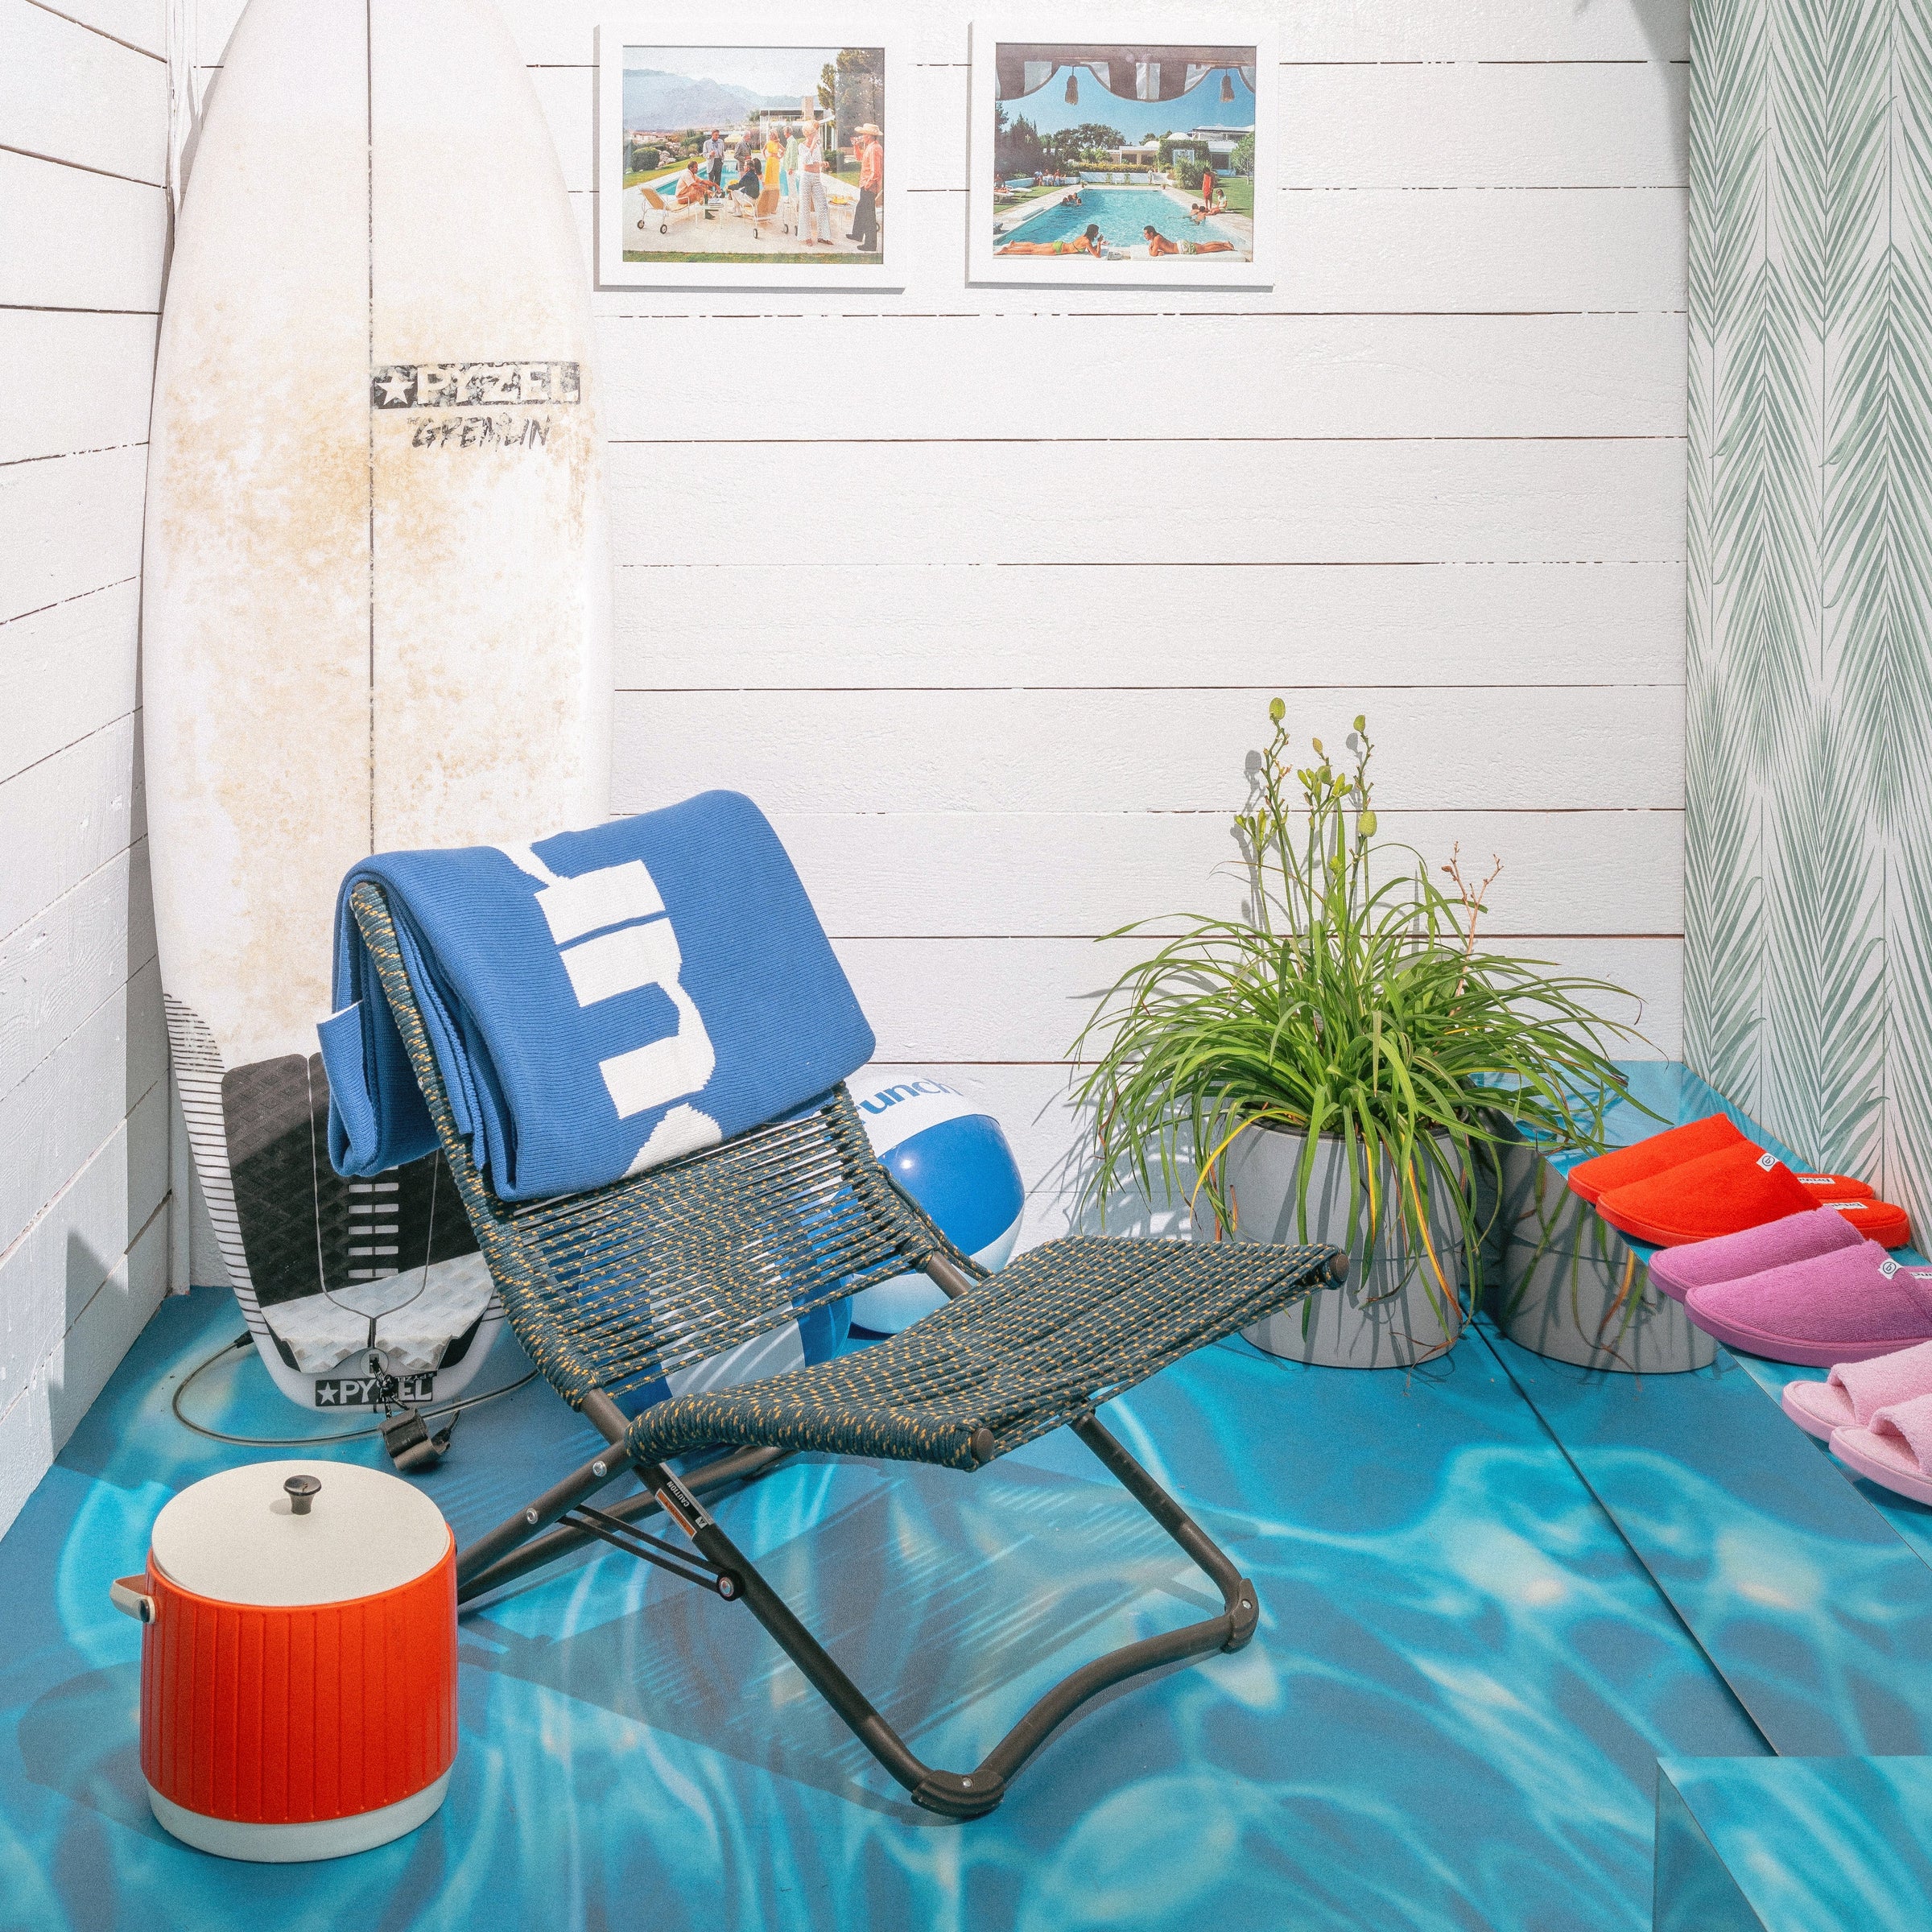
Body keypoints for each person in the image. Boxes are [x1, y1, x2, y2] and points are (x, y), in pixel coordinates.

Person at [796, 109, 832, 246]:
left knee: (823, 206)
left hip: (817, 178)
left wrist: (822, 163)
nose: (817, 133)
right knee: (805, 207)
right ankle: (807, 237)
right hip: (806, 178)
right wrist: (811, 146)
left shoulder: (817, 146)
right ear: (809, 133)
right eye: (815, 132)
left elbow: (815, 161)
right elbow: (805, 161)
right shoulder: (802, 146)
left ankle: (824, 236)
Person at [848, 122, 883, 250]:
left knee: (869, 214)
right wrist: (856, 146)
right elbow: (859, 158)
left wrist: (868, 185)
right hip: (866, 184)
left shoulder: (874, 149)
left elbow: (876, 171)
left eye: (864, 134)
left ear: (869, 135)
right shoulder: (870, 147)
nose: (862, 136)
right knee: (861, 209)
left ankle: (870, 244)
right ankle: (857, 234)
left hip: (869, 186)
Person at [997, 220, 1104, 255]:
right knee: (1032, 251)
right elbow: (1097, 255)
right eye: (1097, 232)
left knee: (1035, 246)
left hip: (1060, 244)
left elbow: (1091, 249)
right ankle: (1007, 250)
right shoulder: (1087, 241)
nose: (1097, 234)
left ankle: (1014, 244)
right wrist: (1099, 243)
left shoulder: (1084, 237)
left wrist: (1098, 244)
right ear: (1093, 232)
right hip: (1057, 249)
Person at [705, 129, 725, 194]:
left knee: (718, 179)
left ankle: (717, 194)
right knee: (710, 180)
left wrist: (722, 161)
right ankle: (710, 194)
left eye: (718, 135)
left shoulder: (721, 142)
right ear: (712, 135)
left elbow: (722, 152)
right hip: (711, 162)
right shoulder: (707, 143)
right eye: (716, 135)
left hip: (719, 161)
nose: (717, 136)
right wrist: (710, 154)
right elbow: (704, 154)